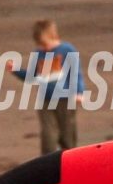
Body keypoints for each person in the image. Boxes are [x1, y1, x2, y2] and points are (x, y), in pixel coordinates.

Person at [6, 20, 82, 154]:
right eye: (40, 45)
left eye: (45, 43)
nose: (43, 48)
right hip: (45, 100)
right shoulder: (39, 54)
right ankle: (48, 161)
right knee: (48, 135)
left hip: (65, 99)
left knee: (68, 135)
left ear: (54, 36)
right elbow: (32, 77)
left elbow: (76, 73)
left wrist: (79, 92)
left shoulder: (67, 50)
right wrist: (15, 70)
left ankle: (70, 160)